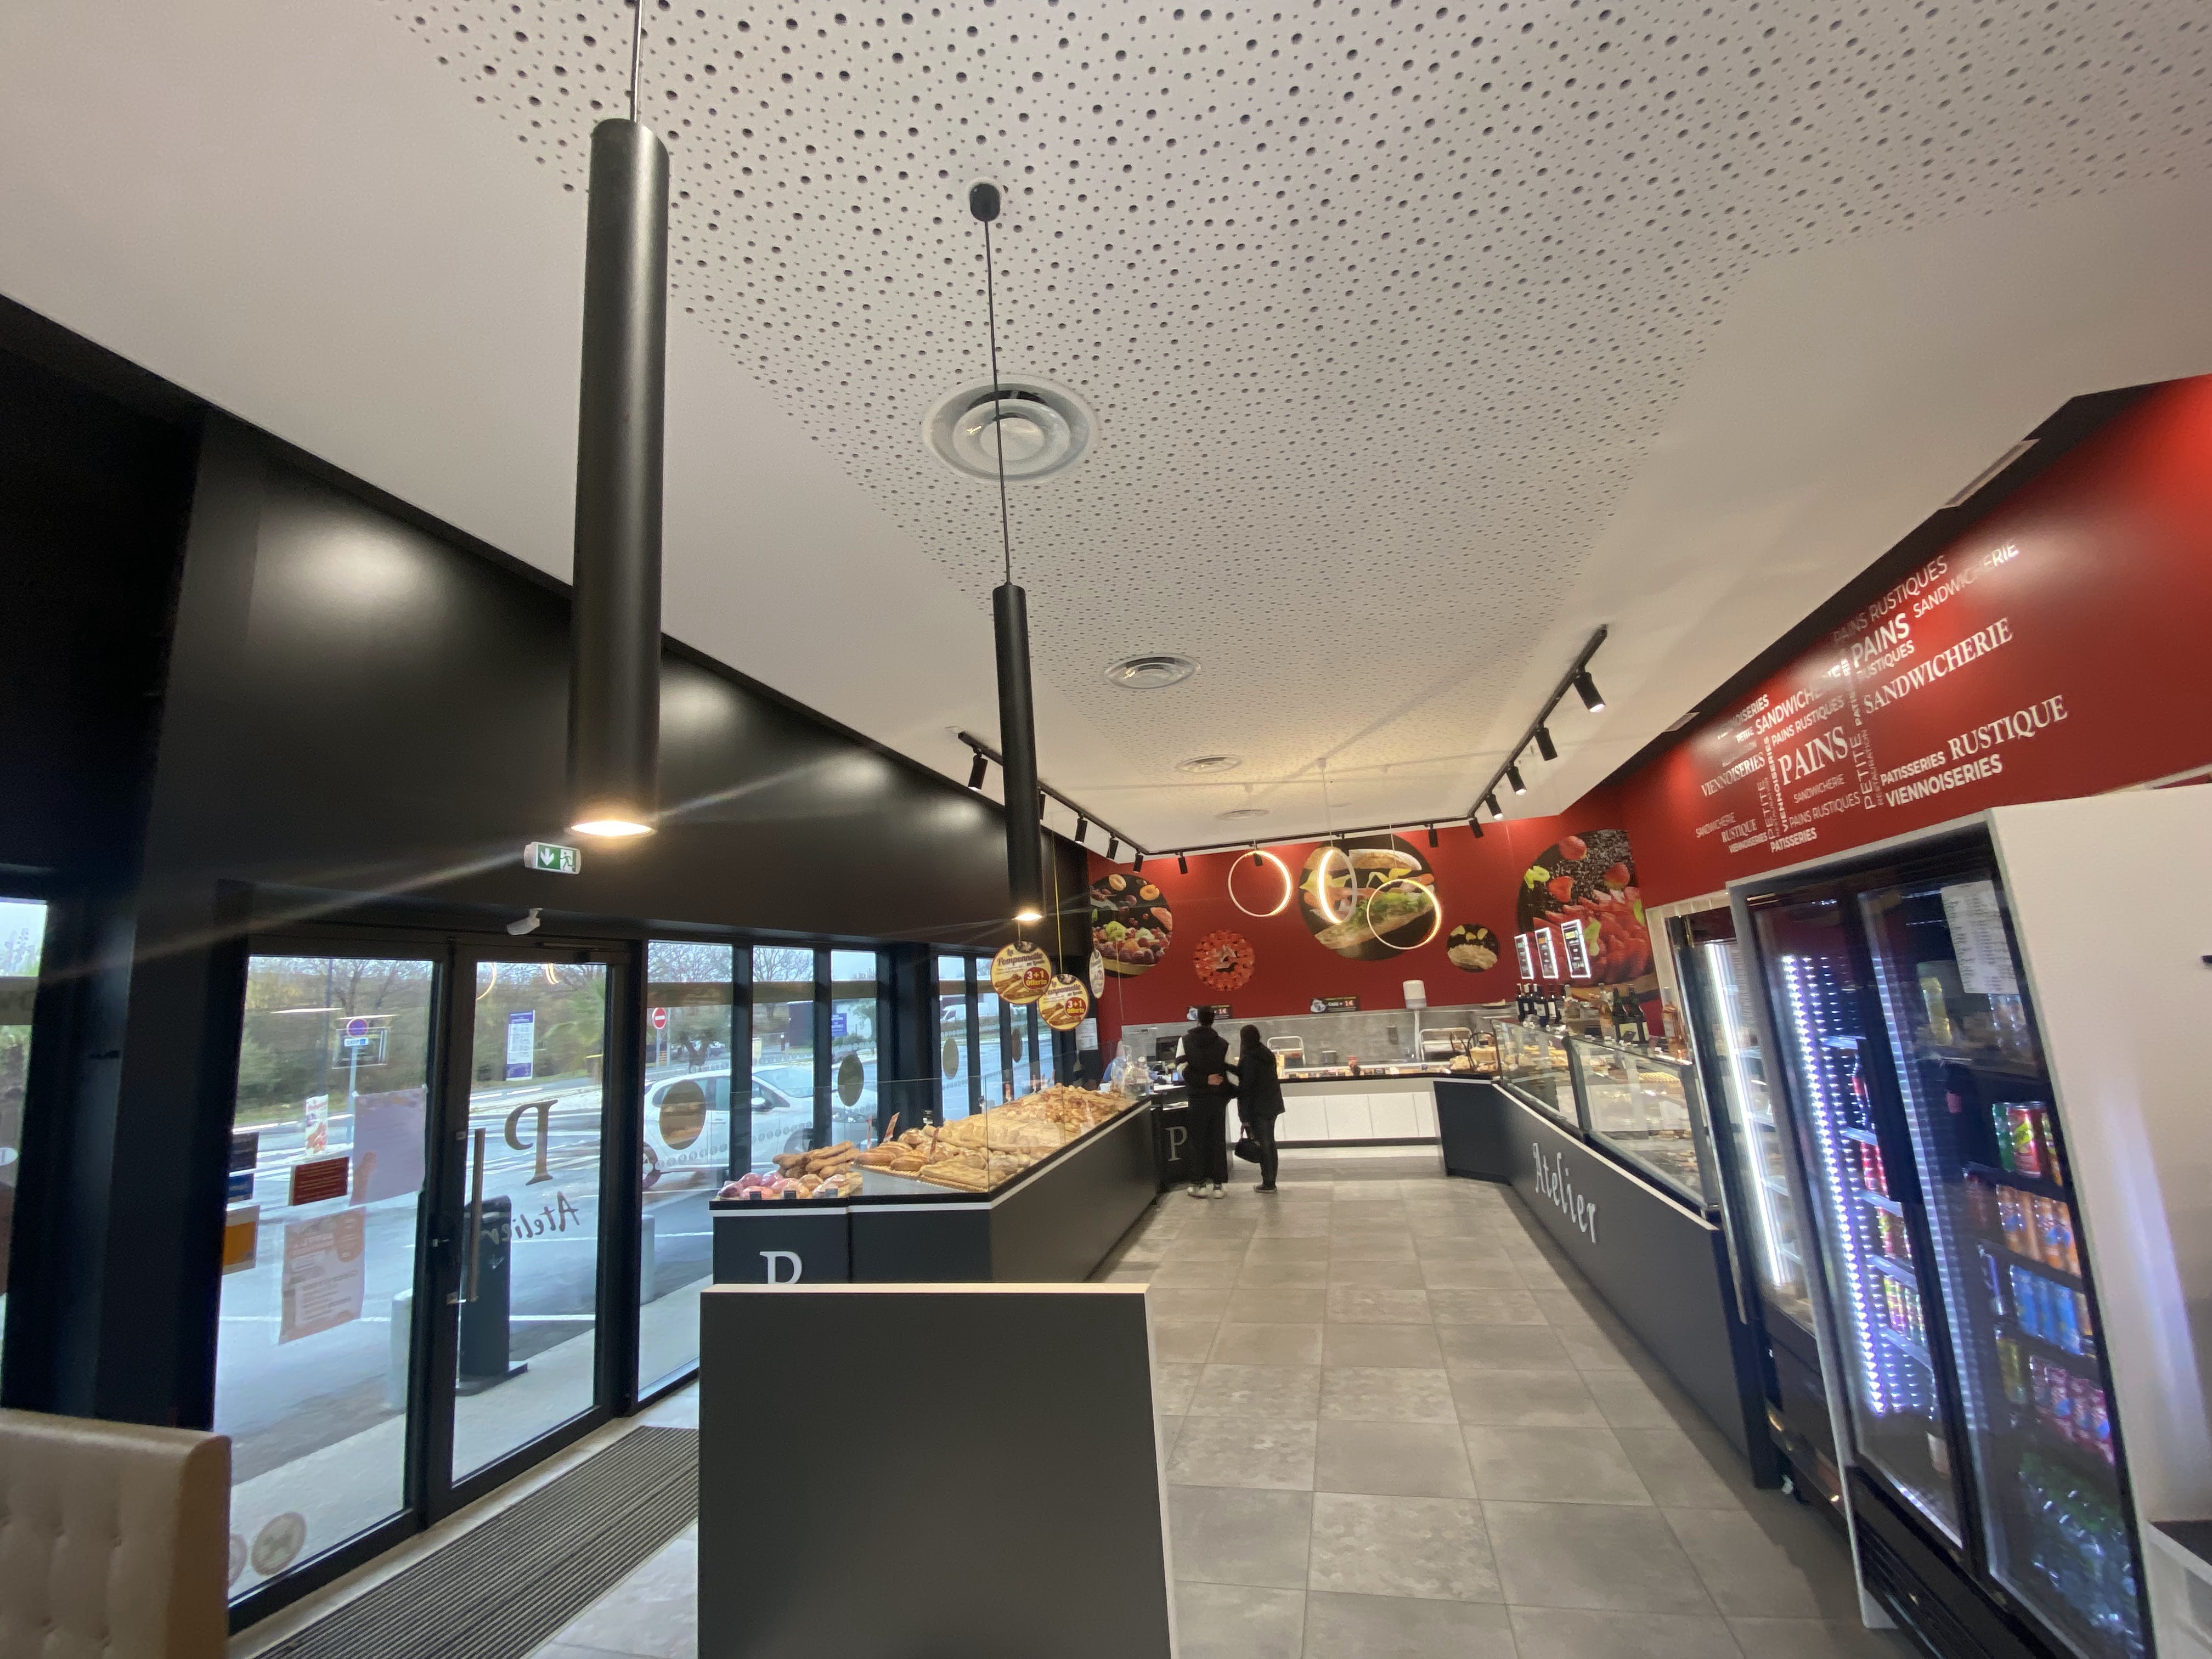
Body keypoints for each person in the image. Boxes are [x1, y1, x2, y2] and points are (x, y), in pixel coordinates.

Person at [1178, 1006, 1232, 1199]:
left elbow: (1181, 1068)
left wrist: (1202, 1081)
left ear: (1198, 1019)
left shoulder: (1184, 1041)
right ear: (1213, 1021)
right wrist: (1226, 1094)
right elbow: (1232, 1074)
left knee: (1197, 1141)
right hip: (1217, 1099)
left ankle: (1199, 1185)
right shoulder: (1224, 1044)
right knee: (1217, 1140)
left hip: (1196, 1098)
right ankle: (1218, 1187)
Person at [1229, 1024, 1284, 1192]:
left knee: (1264, 1145)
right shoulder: (1265, 1053)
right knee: (1270, 1143)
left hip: (1259, 1108)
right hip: (1272, 1105)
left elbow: (1247, 1089)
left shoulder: (1249, 1058)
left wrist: (1244, 1117)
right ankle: (1271, 1179)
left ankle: (1268, 1183)